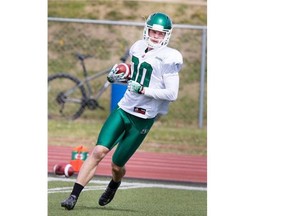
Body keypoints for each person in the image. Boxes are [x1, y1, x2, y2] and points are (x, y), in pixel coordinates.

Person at [60, 12, 183, 210]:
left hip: (142, 118)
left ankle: (114, 183)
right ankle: (73, 196)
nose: (155, 36)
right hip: (124, 109)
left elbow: (171, 93)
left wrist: (142, 90)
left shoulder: (170, 57)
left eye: (160, 34)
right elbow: (136, 74)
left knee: (117, 165)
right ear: (147, 29)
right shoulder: (137, 47)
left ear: (166, 35)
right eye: (153, 31)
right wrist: (117, 77)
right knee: (98, 151)